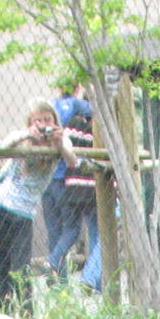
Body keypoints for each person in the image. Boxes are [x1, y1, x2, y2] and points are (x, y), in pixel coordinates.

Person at [0, 97, 79, 313]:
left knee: (21, 271)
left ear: (55, 121)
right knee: (5, 269)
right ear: (30, 123)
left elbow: (72, 161)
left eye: (47, 120)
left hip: (23, 214)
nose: (43, 125)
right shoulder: (22, 139)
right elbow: (1, 148)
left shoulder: (61, 141)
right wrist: (27, 134)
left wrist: (59, 142)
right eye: (38, 121)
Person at [47, 113, 101, 291]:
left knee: (71, 230)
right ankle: (92, 280)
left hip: (72, 187)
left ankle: (53, 260)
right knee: (97, 235)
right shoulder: (100, 133)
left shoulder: (72, 127)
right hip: (93, 188)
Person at [42, 84, 92, 273]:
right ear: (78, 86)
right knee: (72, 228)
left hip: (47, 179)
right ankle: (53, 261)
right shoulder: (76, 104)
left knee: (54, 232)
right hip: (66, 178)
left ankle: (59, 282)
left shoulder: (50, 106)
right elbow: (98, 112)